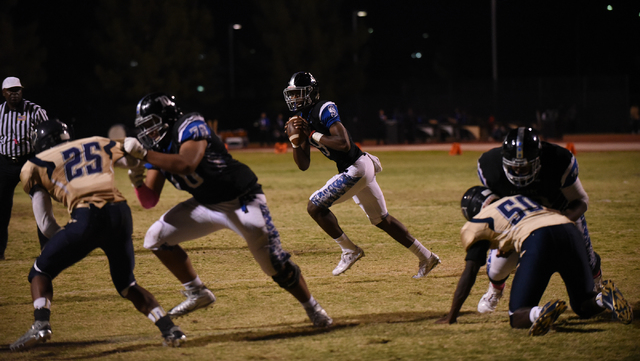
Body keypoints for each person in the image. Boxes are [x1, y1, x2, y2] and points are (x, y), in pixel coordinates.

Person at [123, 93, 332, 327]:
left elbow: (187, 163)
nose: (149, 132)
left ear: (168, 118)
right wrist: (136, 178)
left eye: (152, 124)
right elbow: (149, 200)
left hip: (241, 200)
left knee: (275, 265)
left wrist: (144, 155)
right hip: (206, 204)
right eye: (145, 127)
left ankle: (313, 308)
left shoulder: (189, 124)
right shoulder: (157, 146)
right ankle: (197, 292)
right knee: (155, 237)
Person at [10, 119, 185, 351]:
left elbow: (45, 224)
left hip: (86, 217)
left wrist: (70, 242)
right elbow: (131, 148)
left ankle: (41, 324)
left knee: (40, 271)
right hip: (120, 213)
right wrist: (135, 173)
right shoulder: (94, 142)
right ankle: (170, 329)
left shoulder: (34, 165)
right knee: (127, 284)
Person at [282, 71, 440, 277]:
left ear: (311, 93)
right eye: (292, 94)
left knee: (315, 207)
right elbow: (303, 165)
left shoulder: (323, 109)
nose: (294, 99)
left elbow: (343, 143)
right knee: (382, 220)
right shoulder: (300, 118)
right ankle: (427, 257)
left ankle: (350, 250)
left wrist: (312, 134)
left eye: (299, 94)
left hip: (357, 167)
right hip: (355, 169)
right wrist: (295, 143)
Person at [436, 186, 632, 336]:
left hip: (540, 239)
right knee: (583, 305)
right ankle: (603, 298)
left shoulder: (478, 222)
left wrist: (451, 315)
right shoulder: (521, 199)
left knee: (517, 315)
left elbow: (470, 272)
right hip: (569, 230)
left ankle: (539, 313)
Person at [474, 126, 602, 314]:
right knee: (497, 268)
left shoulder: (558, 161)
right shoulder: (490, 166)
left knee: (586, 258)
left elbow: (581, 202)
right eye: (514, 167)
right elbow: (496, 209)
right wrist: (502, 237)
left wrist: (559, 220)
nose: (518, 172)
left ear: (538, 161)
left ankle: (597, 282)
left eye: (524, 166)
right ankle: (495, 289)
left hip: (561, 215)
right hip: (519, 223)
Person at [0, 76, 49, 259]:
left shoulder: (35, 111)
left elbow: (47, 136)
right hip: (4, 163)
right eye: (11, 90)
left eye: (18, 90)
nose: (15, 94)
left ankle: (46, 249)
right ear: (4, 92)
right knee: (1, 209)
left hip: (28, 162)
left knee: (40, 203)